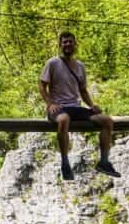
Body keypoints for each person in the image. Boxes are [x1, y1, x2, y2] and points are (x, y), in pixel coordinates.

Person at [39, 31, 120, 182]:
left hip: (75, 107)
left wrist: (91, 105)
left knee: (107, 121)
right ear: (60, 45)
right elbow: (42, 86)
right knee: (63, 119)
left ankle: (104, 162)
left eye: (70, 42)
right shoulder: (52, 63)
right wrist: (50, 103)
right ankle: (65, 162)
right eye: (65, 42)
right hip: (58, 108)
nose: (68, 45)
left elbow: (83, 90)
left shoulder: (80, 66)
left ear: (75, 44)